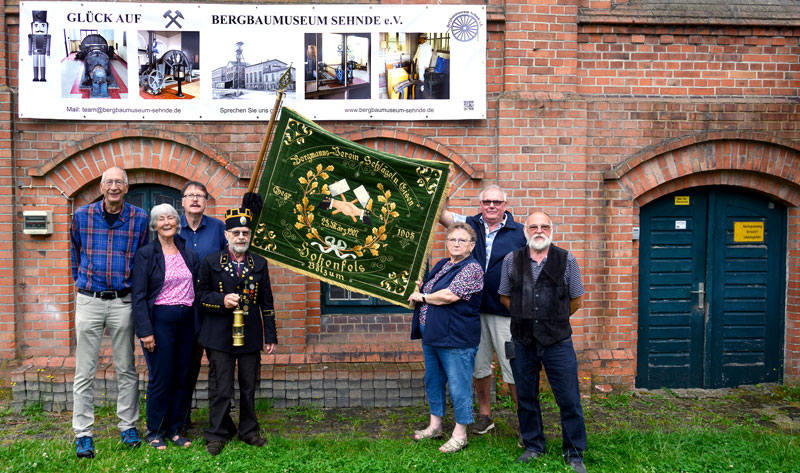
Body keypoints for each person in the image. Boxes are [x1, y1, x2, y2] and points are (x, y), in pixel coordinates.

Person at [498, 211, 588, 473]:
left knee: (569, 398)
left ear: (552, 230)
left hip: (558, 340)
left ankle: (574, 453)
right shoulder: (510, 260)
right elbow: (504, 296)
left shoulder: (566, 259)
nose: (539, 231)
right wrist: (528, 315)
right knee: (526, 396)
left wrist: (552, 318)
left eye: (544, 226)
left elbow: (577, 299)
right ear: (525, 231)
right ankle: (533, 445)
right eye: (533, 226)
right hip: (522, 339)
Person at [70, 166, 149, 458]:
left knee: (127, 368)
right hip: (89, 299)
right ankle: (83, 433)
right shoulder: (82, 216)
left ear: (126, 188)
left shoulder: (139, 219)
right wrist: (84, 284)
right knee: (84, 371)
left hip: (122, 301)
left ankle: (128, 426)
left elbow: (142, 261)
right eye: (109, 182)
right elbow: (75, 255)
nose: (114, 187)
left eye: (119, 182)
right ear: (101, 187)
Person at [440, 185, 527, 436]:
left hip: (506, 312)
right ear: (480, 204)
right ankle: (485, 415)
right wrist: (439, 185)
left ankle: (524, 421)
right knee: (479, 366)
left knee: (513, 366)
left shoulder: (519, 232)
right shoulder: (468, 225)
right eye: (487, 201)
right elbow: (441, 215)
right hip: (473, 310)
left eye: (497, 202)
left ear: (505, 205)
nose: (491, 206)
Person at [198, 208, 277, 456]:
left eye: (245, 232)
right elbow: (200, 296)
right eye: (236, 232)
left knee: (248, 385)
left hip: (250, 334)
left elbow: (267, 302)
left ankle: (249, 432)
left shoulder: (259, 263)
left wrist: (270, 336)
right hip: (219, 335)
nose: (241, 237)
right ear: (226, 235)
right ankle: (217, 434)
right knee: (220, 386)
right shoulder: (211, 262)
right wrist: (222, 300)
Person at [408, 223, 484, 454]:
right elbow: (430, 289)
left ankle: (460, 434)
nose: (456, 243)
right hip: (432, 336)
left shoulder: (472, 268)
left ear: (472, 245)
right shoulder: (443, 264)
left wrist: (423, 295)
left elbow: (449, 295)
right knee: (434, 381)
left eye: (462, 240)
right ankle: (435, 426)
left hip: (456, 339)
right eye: (452, 239)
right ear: (447, 242)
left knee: (459, 386)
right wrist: (420, 289)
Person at [132, 204, 200, 450]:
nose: (167, 222)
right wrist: (145, 331)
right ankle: (155, 431)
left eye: (171, 217)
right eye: (161, 219)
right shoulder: (146, 254)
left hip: (186, 321)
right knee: (161, 377)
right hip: (160, 320)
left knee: (182, 376)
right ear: (154, 225)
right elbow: (138, 296)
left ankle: (175, 429)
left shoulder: (187, 252)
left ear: (177, 221)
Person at [177, 181, 227, 434]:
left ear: (206, 201)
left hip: (213, 308)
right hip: (184, 309)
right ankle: (181, 420)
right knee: (186, 366)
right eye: (190, 196)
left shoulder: (219, 228)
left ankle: (219, 423)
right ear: (182, 201)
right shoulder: (173, 228)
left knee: (219, 366)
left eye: (200, 196)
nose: (195, 199)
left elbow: (234, 255)